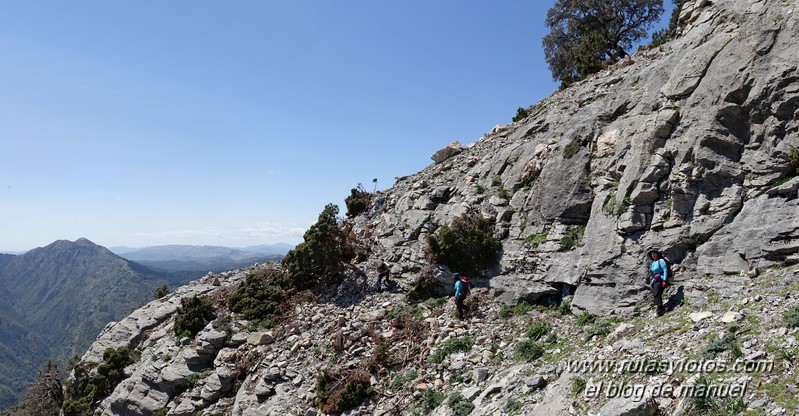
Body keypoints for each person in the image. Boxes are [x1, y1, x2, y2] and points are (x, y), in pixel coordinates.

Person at [647, 249, 669, 316]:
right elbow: (655, 274)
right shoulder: (653, 263)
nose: (653, 255)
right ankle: (660, 308)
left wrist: (665, 280)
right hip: (655, 280)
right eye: (652, 254)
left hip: (661, 280)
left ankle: (660, 310)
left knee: (657, 294)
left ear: (657, 254)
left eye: (654, 253)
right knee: (655, 295)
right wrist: (652, 282)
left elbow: (665, 270)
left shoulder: (661, 261)